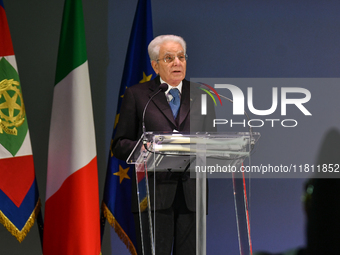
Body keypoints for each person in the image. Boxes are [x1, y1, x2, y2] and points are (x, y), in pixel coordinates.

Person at [111, 34, 216, 255]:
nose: (177, 62)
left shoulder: (202, 95)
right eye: (169, 58)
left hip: (192, 196)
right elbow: (119, 144)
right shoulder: (138, 95)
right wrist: (144, 149)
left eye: (181, 57)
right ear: (155, 65)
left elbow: (213, 142)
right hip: (152, 195)